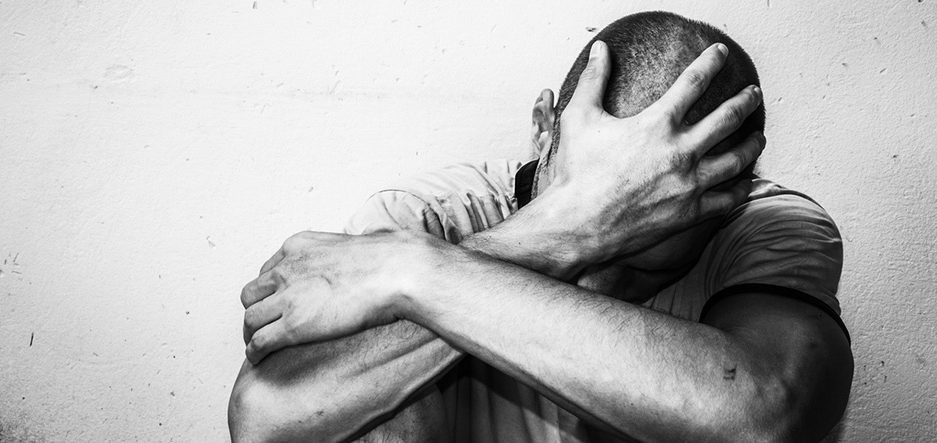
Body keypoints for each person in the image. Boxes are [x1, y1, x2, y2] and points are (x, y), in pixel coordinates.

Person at [229, 11, 853, 443]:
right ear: (542, 127)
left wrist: (417, 274)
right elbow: (270, 420)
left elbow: (761, 419)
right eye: (598, 202)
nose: (602, 275)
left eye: (644, 253)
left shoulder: (768, 225)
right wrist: (559, 234)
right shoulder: (426, 218)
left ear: (728, 192)